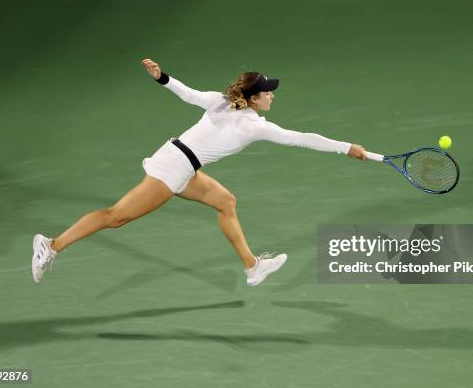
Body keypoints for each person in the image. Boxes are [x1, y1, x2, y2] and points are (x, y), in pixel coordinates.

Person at [31, 58, 368, 287]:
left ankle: (253, 267)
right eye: (268, 93)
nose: (272, 97)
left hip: (183, 163)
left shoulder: (222, 101)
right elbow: (302, 139)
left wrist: (161, 77)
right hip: (174, 167)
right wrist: (346, 147)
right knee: (116, 216)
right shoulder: (253, 126)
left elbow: (187, 93)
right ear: (253, 98)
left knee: (226, 202)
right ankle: (52, 245)